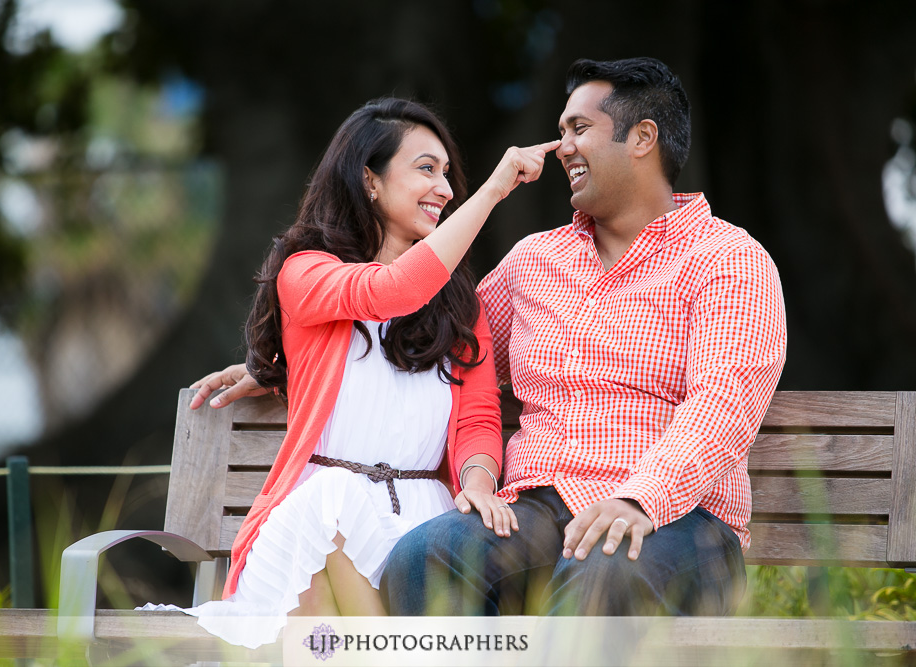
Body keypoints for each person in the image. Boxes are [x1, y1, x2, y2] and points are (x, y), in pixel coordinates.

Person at [377, 57, 788, 617]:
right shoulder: (534, 260)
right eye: (561, 130)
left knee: (601, 574)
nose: (561, 146)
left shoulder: (728, 260)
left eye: (579, 129)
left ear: (642, 138)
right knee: (424, 557)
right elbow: (442, 348)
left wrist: (642, 497)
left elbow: (723, 402)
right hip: (538, 508)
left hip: (678, 518)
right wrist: (280, 365)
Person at [163, 97, 560, 648]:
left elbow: (477, 415)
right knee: (332, 503)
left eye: (448, 174)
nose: (445, 189)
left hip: (421, 520)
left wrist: (477, 482)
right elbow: (390, 291)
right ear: (369, 180)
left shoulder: (458, 305)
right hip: (320, 523)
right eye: (426, 169)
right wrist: (494, 190)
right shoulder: (306, 271)